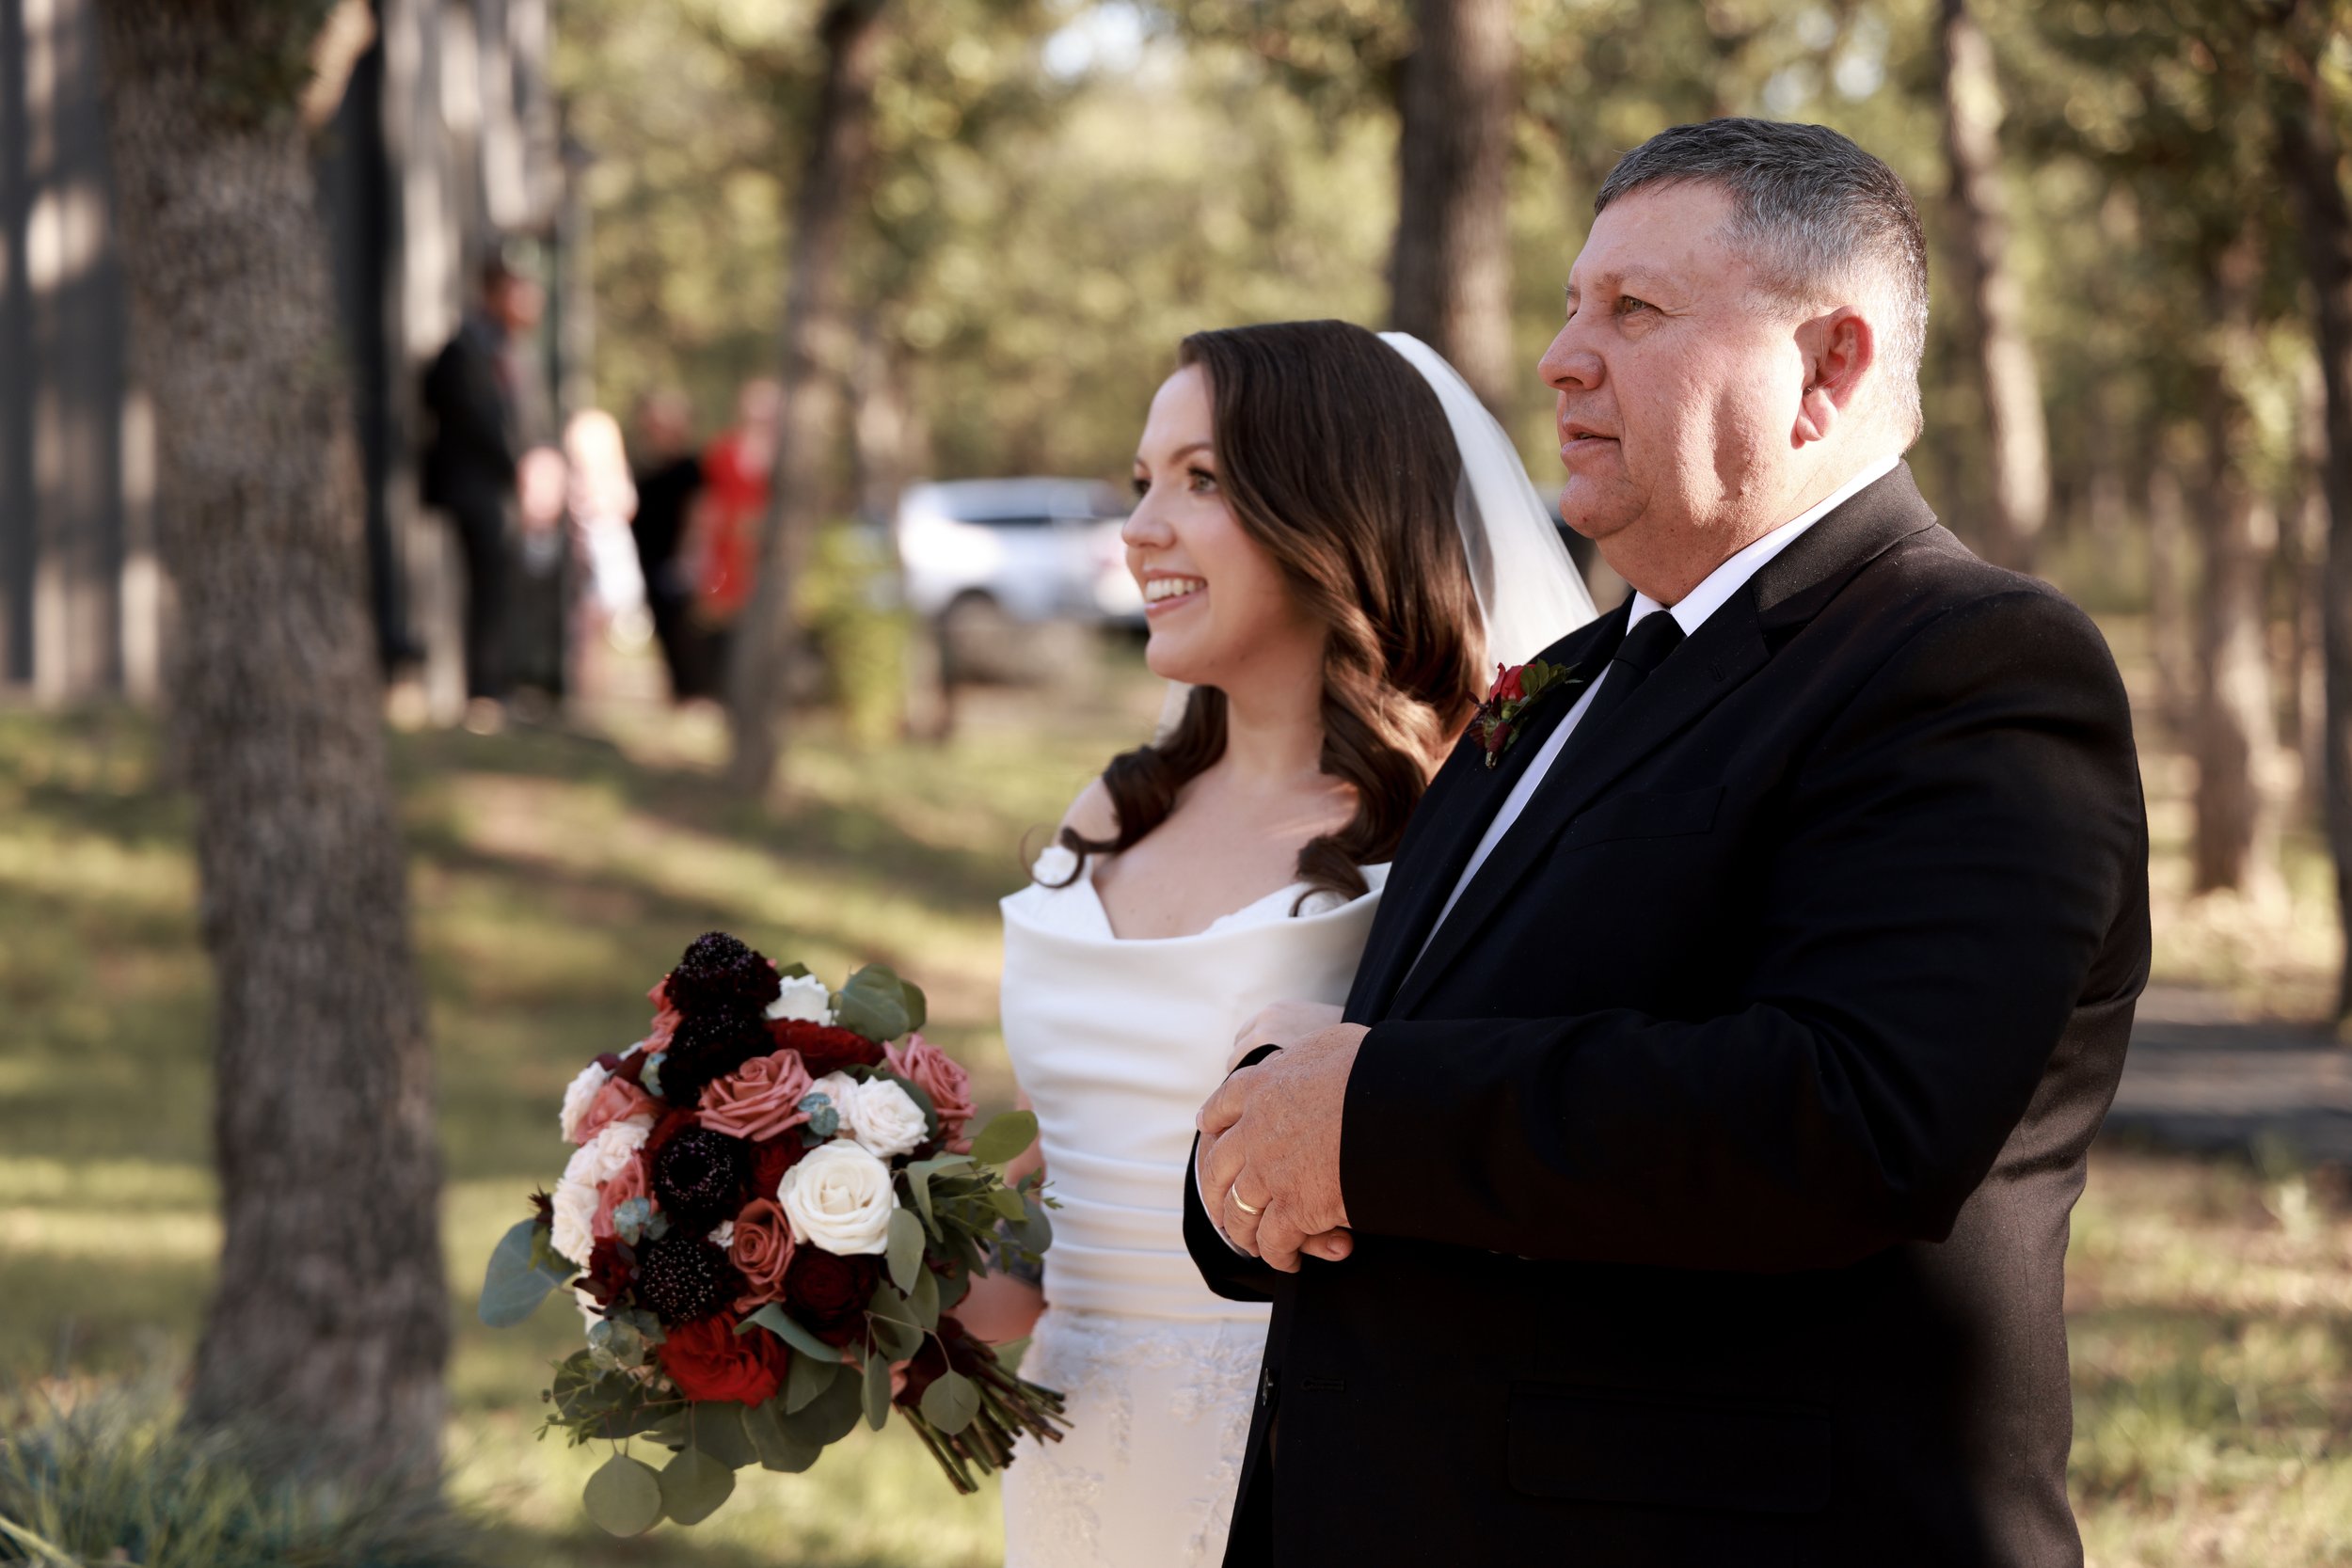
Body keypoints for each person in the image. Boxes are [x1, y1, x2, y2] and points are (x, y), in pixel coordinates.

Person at [1185, 119, 2150, 1566]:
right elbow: (1453, 1032)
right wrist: (1260, 1157)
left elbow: (1855, 1111)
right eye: (1574, 306)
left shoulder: (1972, 664)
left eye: (1634, 311)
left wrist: (1368, 1117)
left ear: (1829, 367)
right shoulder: (1568, 679)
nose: (1563, 357)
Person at [964, 320, 1593, 1568]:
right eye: (1144, 480)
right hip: (1079, 1457)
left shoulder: (1456, 811)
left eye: (1200, 479)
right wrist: (844, 1261)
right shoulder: (1113, 804)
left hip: (1319, 1465)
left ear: (1324, 506)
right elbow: (1071, 1183)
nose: (1141, 527)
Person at [421, 252, 543, 729]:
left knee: (501, 585)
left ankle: (498, 686)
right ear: (495, 292)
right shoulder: (467, 350)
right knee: (485, 585)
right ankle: (485, 693)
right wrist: (520, 467)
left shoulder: (511, 351)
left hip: (501, 488)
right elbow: (476, 420)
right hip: (476, 488)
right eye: (520, 291)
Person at [687, 378, 781, 688]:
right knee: (720, 616)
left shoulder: (785, 454)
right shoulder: (724, 449)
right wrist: (699, 548)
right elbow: (708, 502)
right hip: (727, 544)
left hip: (764, 549)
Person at [628, 388, 713, 701]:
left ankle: (693, 692)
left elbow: (700, 514)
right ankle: (680, 691)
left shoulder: (690, 468)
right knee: (665, 626)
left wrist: (689, 556)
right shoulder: (649, 466)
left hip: (675, 561)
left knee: (682, 628)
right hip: (651, 559)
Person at [563, 408, 647, 704]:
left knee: (594, 627)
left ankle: (593, 696)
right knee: (583, 630)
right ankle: (583, 695)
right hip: (582, 557)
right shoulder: (573, 481)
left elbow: (624, 505)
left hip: (606, 555)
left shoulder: (613, 479)